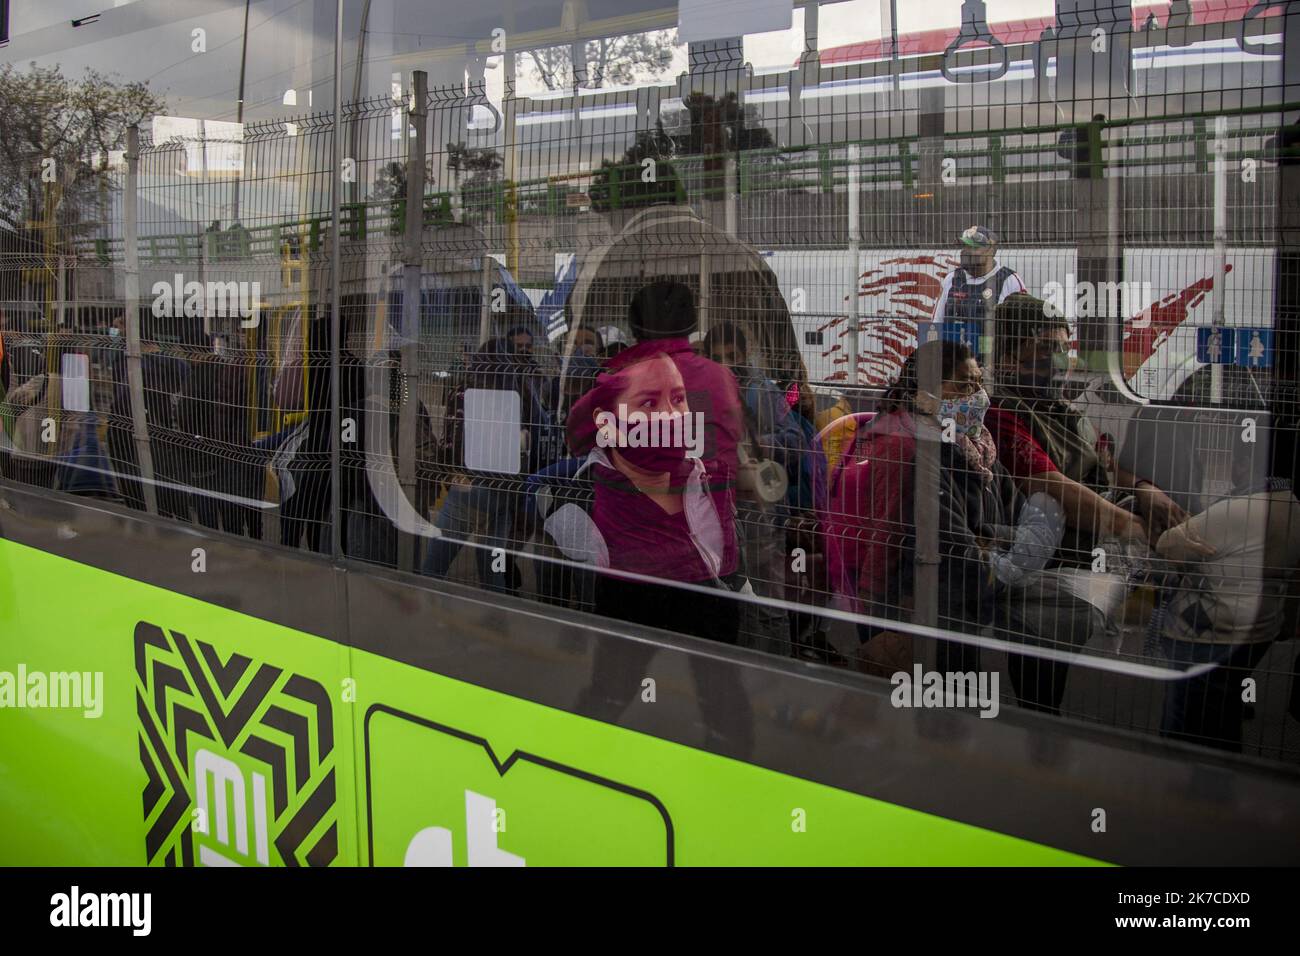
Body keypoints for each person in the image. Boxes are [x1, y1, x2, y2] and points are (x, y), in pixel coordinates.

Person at [837, 339, 1102, 713]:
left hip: (962, 609)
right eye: (962, 384)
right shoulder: (909, 450)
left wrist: (991, 539)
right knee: (939, 719)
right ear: (924, 393)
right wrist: (1008, 547)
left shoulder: (975, 447)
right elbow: (955, 554)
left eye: (978, 382)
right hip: (916, 608)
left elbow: (1032, 514)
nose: (976, 394)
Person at [984, 293, 1195, 564]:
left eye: (1063, 349)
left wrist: (1145, 489)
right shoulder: (999, 412)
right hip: (1067, 537)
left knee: (1164, 431)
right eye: (1046, 348)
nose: (1060, 361)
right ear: (1007, 357)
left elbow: (1105, 465)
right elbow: (1052, 490)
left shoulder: (1056, 407)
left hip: (1103, 511)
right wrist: (1144, 533)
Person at [931, 225, 1026, 324]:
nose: (966, 251)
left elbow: (1022, 326)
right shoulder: (951, 278)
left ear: (991, 250)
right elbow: (936, 322)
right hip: (953, 339)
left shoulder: (1010, 280)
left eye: (973, 247)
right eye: (965, 245)